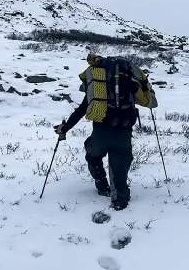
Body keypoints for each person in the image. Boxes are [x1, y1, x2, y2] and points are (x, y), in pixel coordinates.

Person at [54, 53, 156, 210]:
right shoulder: (130, 83)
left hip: (101, 132)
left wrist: (65, 128)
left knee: (92, 153)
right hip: (124, 132)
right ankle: (120, 199)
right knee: (119, 168)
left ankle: (102, 185)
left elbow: (81, 110)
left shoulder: (97, 88)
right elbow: (149, 102)